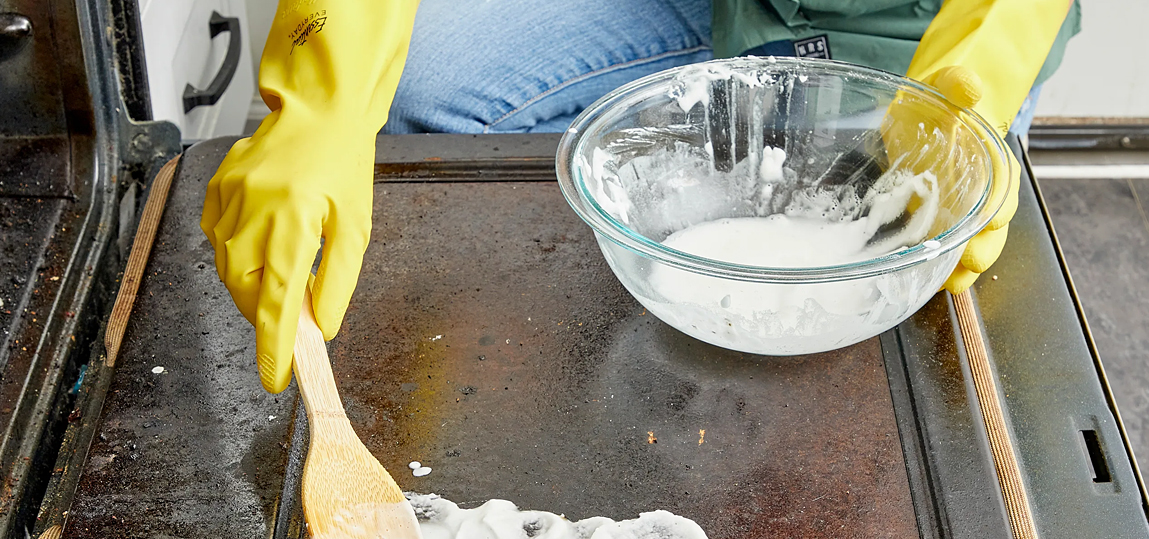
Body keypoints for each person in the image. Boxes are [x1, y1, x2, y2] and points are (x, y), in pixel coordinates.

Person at [202, 0, 1081, 393]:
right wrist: (323, 91)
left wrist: (971, 85)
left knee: (898, 258)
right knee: (421, 81)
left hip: (910, 20)